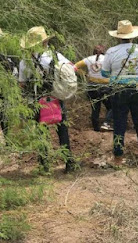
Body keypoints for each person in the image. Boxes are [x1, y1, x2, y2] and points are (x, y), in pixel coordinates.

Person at [18, 26, 74, 173]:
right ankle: (69, 163)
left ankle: (44, 165)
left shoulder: (24, 61)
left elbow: (22, 84)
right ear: (45, 42)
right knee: (62, 130)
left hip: (36, 100)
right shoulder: (56, 56)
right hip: (55, 97)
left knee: (41, 132)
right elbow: (71, 69)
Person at [102, 20, 138, 164]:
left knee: (119, 123)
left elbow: (105, 73)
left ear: (118, 36)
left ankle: (118, 156)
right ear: (132, 35)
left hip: (119, 89)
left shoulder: (111, 51)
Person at [75, 45, 113, 132]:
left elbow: (75, 66)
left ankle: (96, 128)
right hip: (105, 86)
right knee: (111, 106)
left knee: (95, 108)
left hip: (91, 86)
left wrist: (84, 74)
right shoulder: (107, 59)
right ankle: (107, 123)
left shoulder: (88, 59)